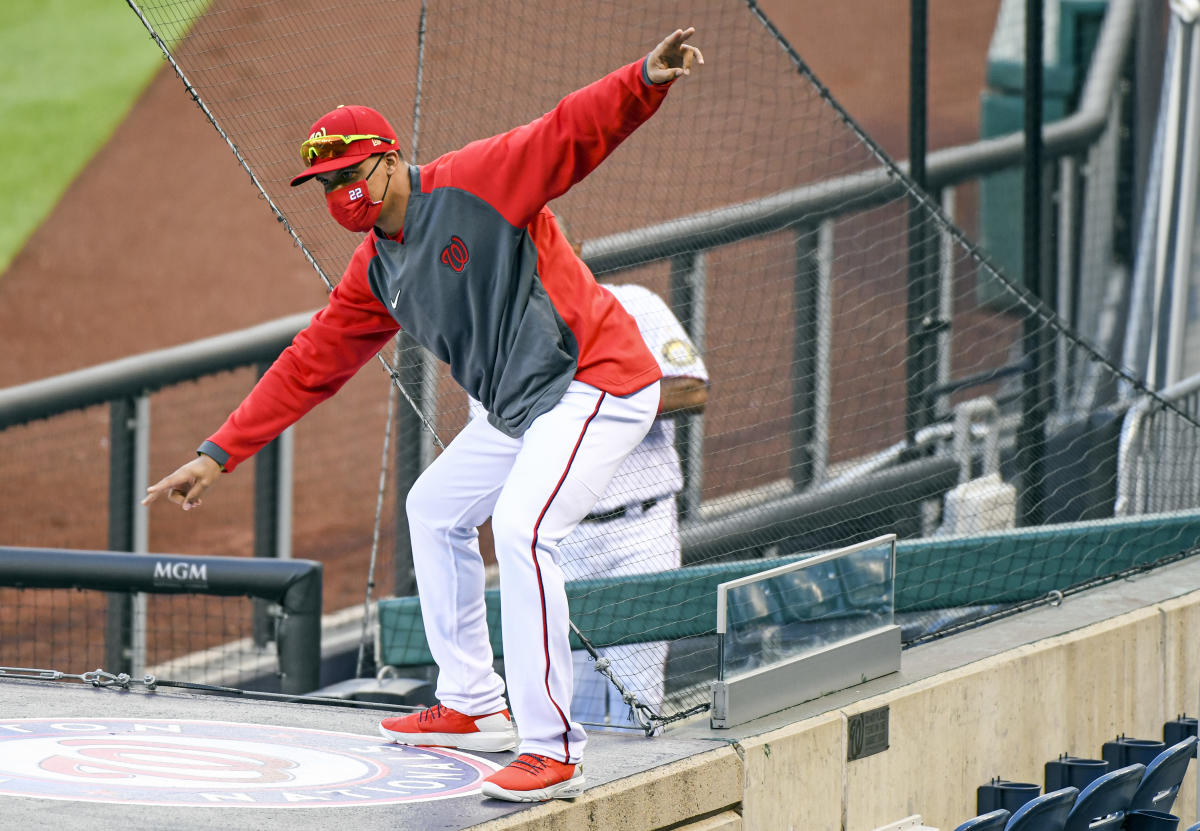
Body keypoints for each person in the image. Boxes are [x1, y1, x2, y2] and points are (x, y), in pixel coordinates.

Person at [143, 28, 704, 803]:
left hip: (595, 380)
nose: (339, 192)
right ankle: (472, 697)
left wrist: (644, 79)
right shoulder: (375, 269)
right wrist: (218, 452)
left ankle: (552, 744)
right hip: (520, 408)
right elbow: (311, 363)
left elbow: (567, 132)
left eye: (347, 172)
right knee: (433, 507)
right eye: (324, 182)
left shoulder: (473, 182)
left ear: (386, 157)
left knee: (522, 528)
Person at [561, 281, 708, 732]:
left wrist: (601, 401)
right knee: (568, 709)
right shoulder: (496, 330)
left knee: (640, 704)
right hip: (558, 540)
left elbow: (691, 389)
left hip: (639, 532)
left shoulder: (633, 304)